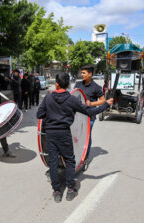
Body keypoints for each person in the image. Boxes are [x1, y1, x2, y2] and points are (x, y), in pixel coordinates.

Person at [36, 73, 113, 202]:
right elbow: (89, 112)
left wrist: (51, 113)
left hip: (50, 134)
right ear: (68, 85)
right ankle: (70, 189)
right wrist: (106, 105)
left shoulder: (48, 97)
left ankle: (56, 191)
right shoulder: (72, 100)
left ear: (56, 84)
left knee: (53, 162)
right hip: (64, 134)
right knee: (70, 160)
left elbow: (39, 114)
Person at [74, 65, 105, 161]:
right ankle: (76, 153)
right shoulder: (78, 85)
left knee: (86, 136)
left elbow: (102, 100)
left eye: (84, 73)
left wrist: (92, 103)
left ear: (90, 74)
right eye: (81, 73)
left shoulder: (96, 87)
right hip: (77, 116)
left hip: (89, 117)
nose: (82, 74)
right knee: (76, 135)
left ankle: (85, 157)